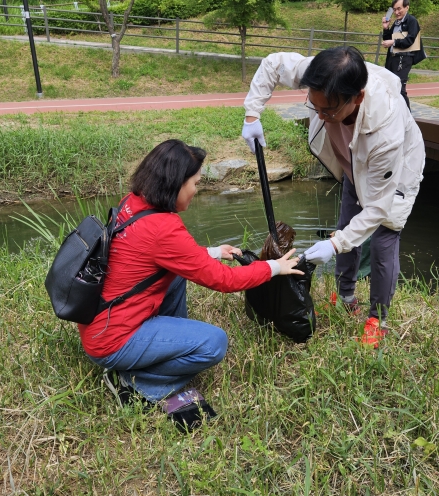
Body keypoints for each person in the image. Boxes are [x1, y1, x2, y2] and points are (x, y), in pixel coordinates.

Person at [79, 139, 302, 428]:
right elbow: (225, 280)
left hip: (100, 321)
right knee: (214, 344)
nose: (196, 190)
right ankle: (139, 382)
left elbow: (168, 257)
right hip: (112, 340)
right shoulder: (163, 228)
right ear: (176, 184)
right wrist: (274, 267)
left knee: (177, 277)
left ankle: (148, 357)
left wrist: (212, 253)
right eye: (195, 183)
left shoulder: (133, 202)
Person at [241, 46, 425, 348]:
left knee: (383, 239)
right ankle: (346, 295)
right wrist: (252, 113)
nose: (322, 116)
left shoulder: (385, 132)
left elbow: (378, 207)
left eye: (330, 111)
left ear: (358, 98)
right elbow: (273, 64)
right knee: (346, 224)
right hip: (352, 162)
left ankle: (377, 318)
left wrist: (334, 244)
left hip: (394, 172)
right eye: (316, 107)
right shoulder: (322, 73)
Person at [381, 0, 426, 109]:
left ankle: (407, 117)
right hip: (392, 58)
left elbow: (410, 40)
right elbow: (387, 39)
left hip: (404, 58)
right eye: (394, 9)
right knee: (388, 86)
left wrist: (393, 42)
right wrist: (386, 28)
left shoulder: (411, 21)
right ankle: (393, 113)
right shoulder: (396, 23)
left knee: (399, 88)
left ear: (407, 7)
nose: (396, 12)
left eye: (399, 8)